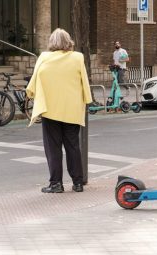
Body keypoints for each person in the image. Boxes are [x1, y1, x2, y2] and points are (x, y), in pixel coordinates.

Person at [26, 28, 93, 193]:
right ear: (68, 41)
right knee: (73, 146)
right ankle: (77, 183)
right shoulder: (77, 57)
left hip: (50, 109)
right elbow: (84, 82)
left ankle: (56, 184)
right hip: (72, 109)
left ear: (51, 42)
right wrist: (87, 100)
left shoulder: (43, 58)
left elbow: (33, 83)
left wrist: (33, 94)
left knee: (53, 148)